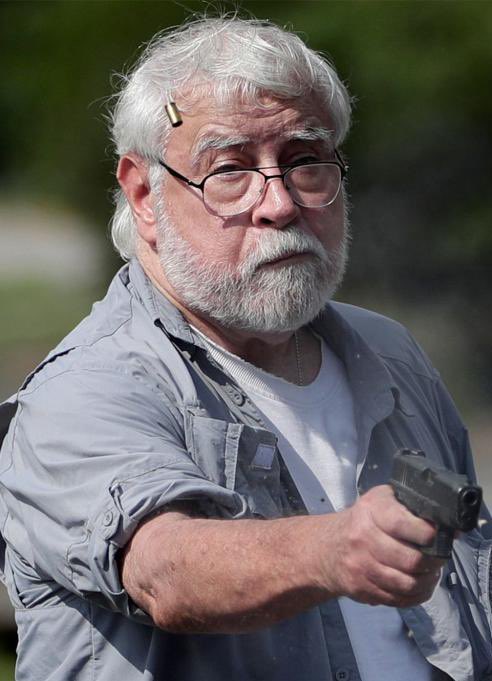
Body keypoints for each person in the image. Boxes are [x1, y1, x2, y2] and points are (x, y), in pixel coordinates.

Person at [0, 15, 491, 681]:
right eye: (229, 169)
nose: (280, 203)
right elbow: (162, 570)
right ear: (143, 193)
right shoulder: (84, 389)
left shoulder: (391, 354)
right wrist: (334, 551)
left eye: (305, 160)